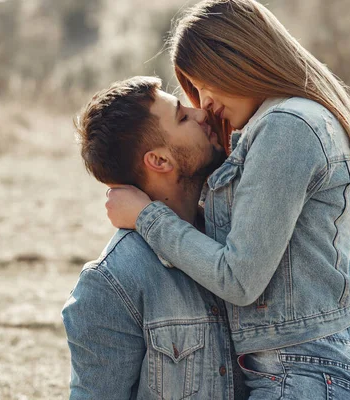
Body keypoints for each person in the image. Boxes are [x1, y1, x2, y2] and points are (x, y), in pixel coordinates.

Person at [103, 1, 350, 399]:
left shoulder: (287, 127)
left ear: (235, 61)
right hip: (294, 368)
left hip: (304, 371)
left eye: (203, 84)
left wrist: (148, 217)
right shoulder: (278, 124)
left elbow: (239, 279)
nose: (203, 104)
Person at [61, 76, 248, 399]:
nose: (202, 114)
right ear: (160, 161)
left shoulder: (239, 244)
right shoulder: (111, 282)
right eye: (182, 117)